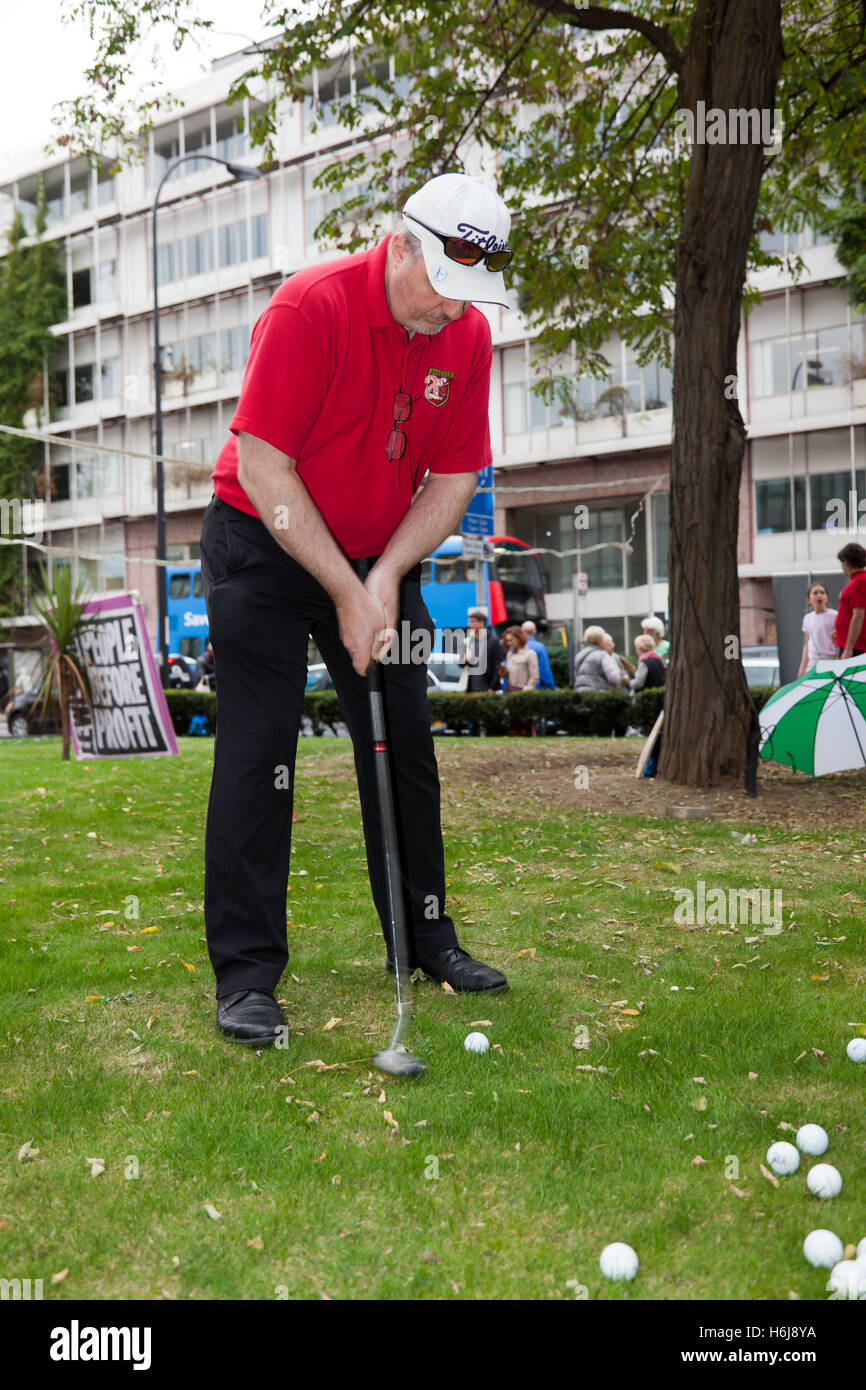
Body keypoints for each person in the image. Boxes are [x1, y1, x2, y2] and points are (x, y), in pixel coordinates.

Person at [201, 172, 513, 1046]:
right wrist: (343, 587)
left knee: (406, 741)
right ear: (401, 245)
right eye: (444, 290)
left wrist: (384, 579)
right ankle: (249, 975)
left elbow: (453, 481)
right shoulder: (311, 309)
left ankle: (423, 937)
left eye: (470, 298)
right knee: (261, 751)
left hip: (383, 550)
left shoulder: (468, 335)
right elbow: (264, 466)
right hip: (263, 540)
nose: (453, 314)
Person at [796, 582, 838, 676]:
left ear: (826, 598)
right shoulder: (807, 618)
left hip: (831, 660)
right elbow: (807, 644)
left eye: (822, 592)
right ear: (808, 599)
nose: (819, 595)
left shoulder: (835, 615)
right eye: (815, 593)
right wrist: (802, 668)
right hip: (813, 662)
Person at [834, 542, 866, 659]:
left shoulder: (859, 581)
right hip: (853, 644)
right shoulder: (857, 580)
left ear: (846, 562)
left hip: (856, 646)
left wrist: (848, 649)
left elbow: (858, 616)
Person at [460, 610, 502, 692]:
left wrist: (492, 687)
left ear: (482, 622)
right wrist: (464, 660)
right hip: (470, 689)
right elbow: (460, 664)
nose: (469, 624)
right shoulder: (469, 641)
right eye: (469, 621)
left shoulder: (493, 641)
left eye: (472, 621)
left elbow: (498, 665)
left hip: (488, 688)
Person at [573, 626, 626, 690]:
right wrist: (622, 677)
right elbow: (614, 678)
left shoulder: (579, 655)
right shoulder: (603, 655)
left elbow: (576, 675)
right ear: (601, 640)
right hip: (598, 692)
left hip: (581, 692)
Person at [500, 625, 539, 691]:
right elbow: (508, 677)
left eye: (510, 640)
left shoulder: (530, 653)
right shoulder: (510, 654)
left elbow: (534, 677)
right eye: (507, 641)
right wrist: (503, 670)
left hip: (523, 694)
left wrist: (525, 691)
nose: (508, 643)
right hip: (509, 691)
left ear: (519, 638)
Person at [521, 620, 556, 688]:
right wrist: (551, 688)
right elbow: (544, 672)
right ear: (535, 633)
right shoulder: (540, 648)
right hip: (536, 690)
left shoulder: (513, 648)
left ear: (521, 633)